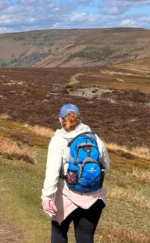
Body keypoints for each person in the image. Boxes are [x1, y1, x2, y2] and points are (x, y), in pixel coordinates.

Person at [41, 104, 110, 243]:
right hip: (94, 198)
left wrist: (47, 197)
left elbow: (52, 172)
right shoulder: (94, 137)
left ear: (60, 120)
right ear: (80, 118)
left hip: (66, 195)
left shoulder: (58, 139)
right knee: (85, 238)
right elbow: (106, 166)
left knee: (59, 233)